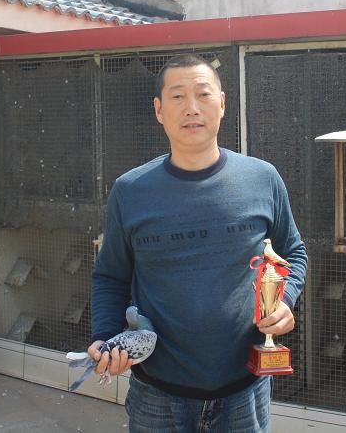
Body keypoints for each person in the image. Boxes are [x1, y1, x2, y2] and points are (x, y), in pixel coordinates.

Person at [89, 54, 308, 432]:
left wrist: (284, 300)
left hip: (244, 390)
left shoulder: (262, 178)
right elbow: (111, 276)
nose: (192, 108)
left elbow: (293, 252)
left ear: (221, 104)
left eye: (203, 94)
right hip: (157, 396)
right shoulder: (131, 190)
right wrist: (107, 338)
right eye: (177, 96)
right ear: (158, 110)